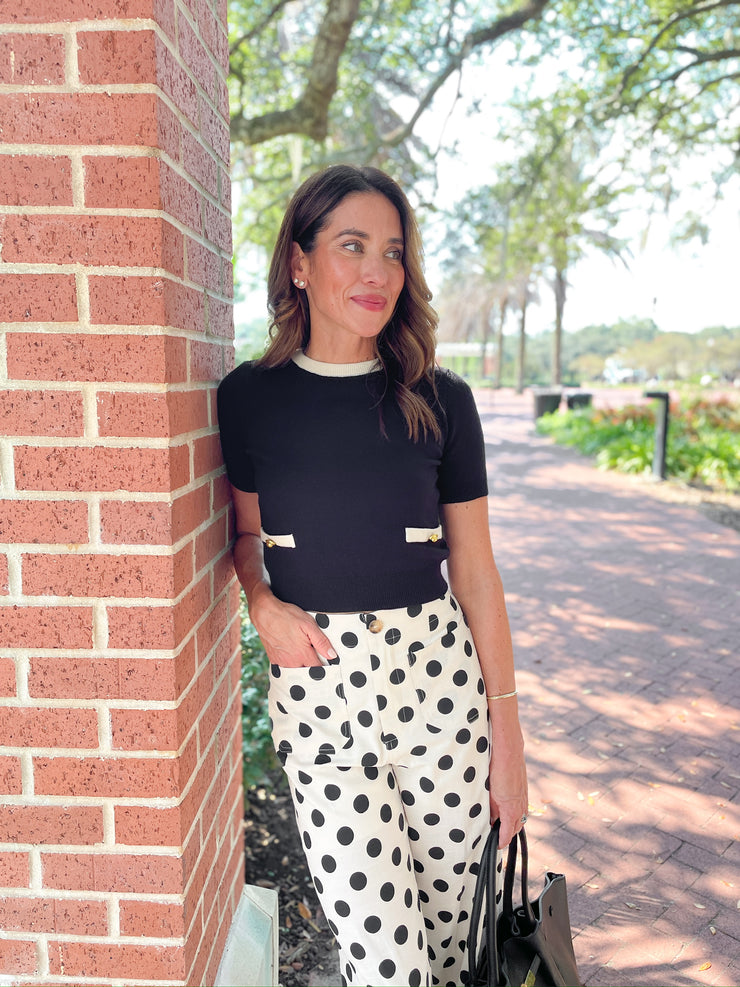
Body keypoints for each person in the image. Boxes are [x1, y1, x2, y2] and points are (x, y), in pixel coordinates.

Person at [217, 164, 527, 987]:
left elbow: (477, 572)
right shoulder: (250, 398)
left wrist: (509, 744)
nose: (377, 271)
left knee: (457, 949)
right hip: (321, 692)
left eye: (392, 251)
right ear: (299, 262)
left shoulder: (442, 400)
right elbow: (245, 535)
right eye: (351, 246)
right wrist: (260, 603)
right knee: (387, 962)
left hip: (441, 691)